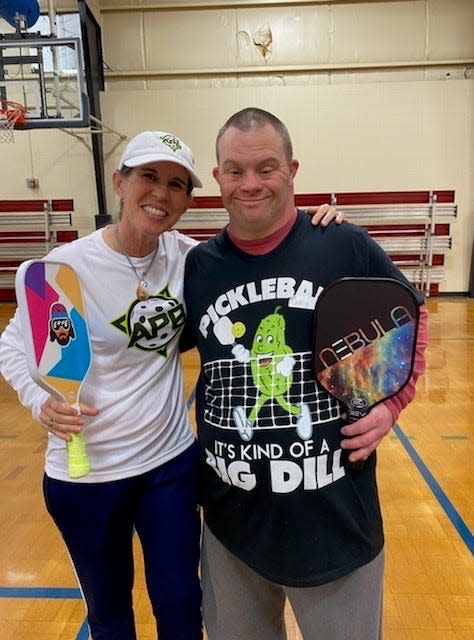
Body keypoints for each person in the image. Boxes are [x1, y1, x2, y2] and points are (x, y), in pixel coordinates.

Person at [0, 128, 342, 639]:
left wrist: (321, 227)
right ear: (119, 182)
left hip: (168, 467)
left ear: (187, 200)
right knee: (110, 612)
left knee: (182, 605)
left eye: (177, 184)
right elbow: (13, 344)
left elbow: (260, 253)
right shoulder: (63, 269)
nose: (161, 193)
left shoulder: (191, 261)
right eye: (149, 177)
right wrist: (37, 401)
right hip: (86, 476)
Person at [182, 108, 429, 640]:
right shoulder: (197, 267)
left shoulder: (343, 245)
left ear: (292, 170)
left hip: (336, 525)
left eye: (266, 168)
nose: (250, 184)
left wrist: (391, 405)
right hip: (232, 528)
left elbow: (410, 321)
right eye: (235, 170)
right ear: (218, 175)